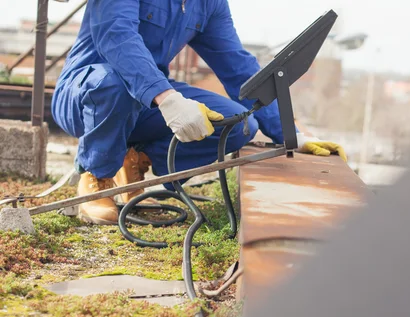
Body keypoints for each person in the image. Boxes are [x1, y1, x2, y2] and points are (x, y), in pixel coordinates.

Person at [51, 0, 347, 225]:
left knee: (239, 124)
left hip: (148, 102)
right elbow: (116, 37)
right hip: (88, 93)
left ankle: (136, 158)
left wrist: (291, 133)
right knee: (114, 84)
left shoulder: (208, 3)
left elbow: (237, 67)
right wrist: (166, 98)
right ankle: (96, 175)